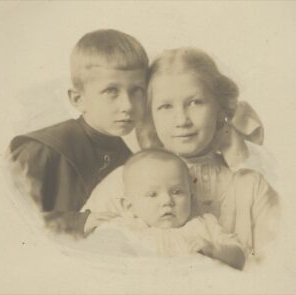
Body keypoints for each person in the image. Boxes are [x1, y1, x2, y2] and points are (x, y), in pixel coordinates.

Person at [82, 48, 279, 257]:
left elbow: (275, 272)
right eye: (166, 106)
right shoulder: (122, 183)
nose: (182, 120)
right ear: (150, 116)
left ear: (220, 109)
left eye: (195, 103)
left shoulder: (251, 188)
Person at [6, 29, 148, 237]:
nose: (127, 105)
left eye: (137, 90)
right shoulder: (40, 151)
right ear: (77, 99)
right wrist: (77, 222)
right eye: (111, 91)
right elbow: (9, 225)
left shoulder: (131, 162)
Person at [84, 149, 245, 270]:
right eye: (152, 194)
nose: (167, 201)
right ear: (129, 206)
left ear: (191, 196)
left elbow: (240, 258)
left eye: (177, 192)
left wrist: (215, 250)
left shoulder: (204, 226)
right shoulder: (124, 228)